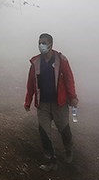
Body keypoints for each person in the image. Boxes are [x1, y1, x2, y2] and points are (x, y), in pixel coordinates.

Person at [24, 33, 79, 170]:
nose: (41, 45)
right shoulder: (35, 62)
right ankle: (51, 161)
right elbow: (31, 83)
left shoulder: (61, 60)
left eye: (44, 43)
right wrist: (28, 101)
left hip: (59, 103)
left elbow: (69, 79)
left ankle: (68, 148)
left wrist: (72, 97)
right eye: (39, 42)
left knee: (64, 129)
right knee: (44, 132)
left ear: (51, 44)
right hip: (42, 103)